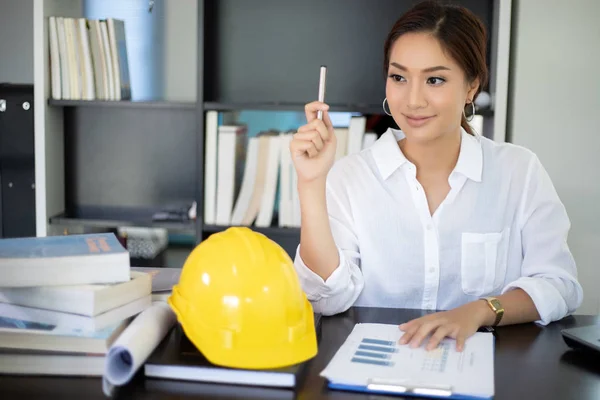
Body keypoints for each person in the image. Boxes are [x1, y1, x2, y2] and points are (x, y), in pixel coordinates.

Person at [289, 0, 583, 352]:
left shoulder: (518, 172)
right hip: (376, 367)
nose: (413, 100)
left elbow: (559, 285)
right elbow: (327, 299)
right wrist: (311, 181)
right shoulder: (350, 177)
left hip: (488, 366)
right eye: (399, 77)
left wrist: (479, 311)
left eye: (435, 79)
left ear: (472, 86)